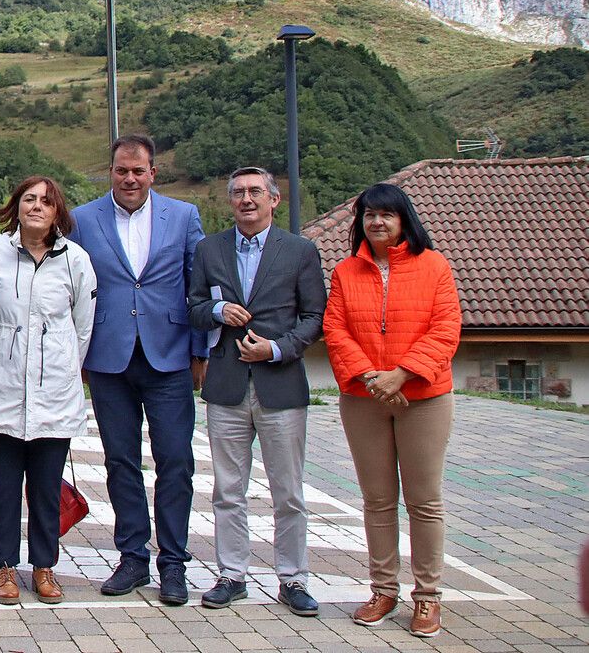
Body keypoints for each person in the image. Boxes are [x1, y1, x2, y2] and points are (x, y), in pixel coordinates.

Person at [67, 134, 207, 605]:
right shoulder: (83, 220)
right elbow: (72, 287)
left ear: (153, 173)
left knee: (175, 463)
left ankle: (173, 562)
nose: (129, 178)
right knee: (120, 462)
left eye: (138, 171)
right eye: (121, 170)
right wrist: (76, 355)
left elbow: (199, 286)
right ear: (110, 172)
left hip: (168, 356)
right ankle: (132, 557)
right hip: (108, 359)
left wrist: (200, 353)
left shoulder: (184, 216)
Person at [324, 182, 461, 639]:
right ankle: (383, 590)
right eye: (368, 215)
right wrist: (370, 378)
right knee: (378, 500)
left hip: (423, 397)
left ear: (404, 219)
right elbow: (336, 329)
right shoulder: (346, 271)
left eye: (386, 214)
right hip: (364, 399)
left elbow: (445, 329)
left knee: (424, 501)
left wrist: (401, 375)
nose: (376, 222)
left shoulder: (434, 266)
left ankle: (428, 597)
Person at [188, 167, 327, 616]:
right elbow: (191, 307)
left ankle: (294, 579)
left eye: (255, 192)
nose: (246, 199)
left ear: (274, 200)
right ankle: (232, 575)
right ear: (230, 201)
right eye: (238, 193)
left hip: (280, 384)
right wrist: (216, 309)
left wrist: (276, 349)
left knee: (288, 491)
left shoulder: (301, 251)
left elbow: (314, 317)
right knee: (228, 489)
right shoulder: (210, 248)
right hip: (226, 385)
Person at [0, 176, 96, 606]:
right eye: (29, 199)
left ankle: (43, 567)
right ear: (15, 207)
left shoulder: (75, 260)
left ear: (58, 211)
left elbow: (82, 327)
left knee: (44, 486)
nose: (37, 206)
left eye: (46, 201)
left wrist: (61, 370)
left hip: (53, 393)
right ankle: (4, 567)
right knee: (2, 485)